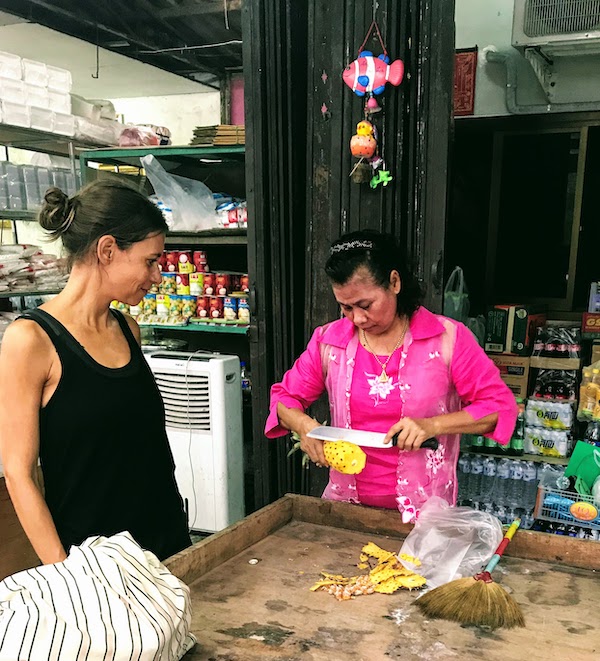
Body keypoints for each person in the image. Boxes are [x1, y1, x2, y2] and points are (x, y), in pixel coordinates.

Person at [265, 230, 517, 522]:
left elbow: (499, 409)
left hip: (425, 516)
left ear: (394, 283)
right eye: (346, 307)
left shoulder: (447, 338)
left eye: (365, 305)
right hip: (345, 511)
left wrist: (432, 425)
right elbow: (284, 399)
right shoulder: (329, 341)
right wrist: (304, 425)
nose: (357, 318)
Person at [0, 180, 191, 563]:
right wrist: (67, 575)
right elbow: (19, 475)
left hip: (164, 544)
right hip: (93, 564)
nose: (157, 277)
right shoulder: (32, 340)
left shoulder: (127, 329)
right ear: (107, 250)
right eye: (150, 261)